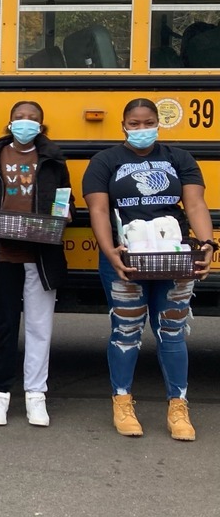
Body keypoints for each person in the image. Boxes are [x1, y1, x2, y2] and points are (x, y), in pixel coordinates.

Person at [82, 97, 215, 441]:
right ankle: (122, 400)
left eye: (148, 122)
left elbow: (196, 203)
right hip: (126, 259)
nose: (142, 129)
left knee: (172, 331)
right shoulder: (105, 161)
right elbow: (98, 210)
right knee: (126, 330)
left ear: (159, 123)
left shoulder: (178, 158)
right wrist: (109, 251)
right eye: (135, 123)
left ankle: (178, 406)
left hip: (173, 257)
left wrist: (207, 243)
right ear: (123, 125)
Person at [0, 101, 72, 427]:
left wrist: (66, 212)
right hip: (1, 255)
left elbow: (66, 201)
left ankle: (37, 396)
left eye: (33, 119)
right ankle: (0, 395)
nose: (26, 123)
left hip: (40, 256)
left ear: (42, 125)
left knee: (40, 329)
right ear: (10, 123)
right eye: (20, 118)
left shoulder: (53, 160)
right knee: (5, 327)